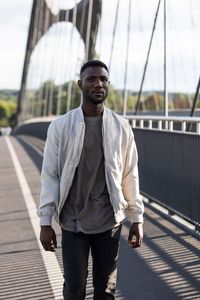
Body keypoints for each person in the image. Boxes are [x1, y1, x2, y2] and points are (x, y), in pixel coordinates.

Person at [38, 60, 144, 300]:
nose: (98, 84)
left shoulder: (122, 127)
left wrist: (136, 218)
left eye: (103, 79)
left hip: (109, 221)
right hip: (74, 221)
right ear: (80, 84)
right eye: (91, 79)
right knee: (75, 288)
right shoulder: (60, 127)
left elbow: (130, 174)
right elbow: (50, 175)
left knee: (105, 291)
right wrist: (46, 221)